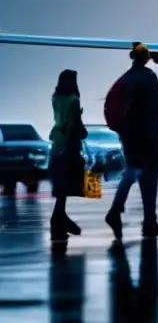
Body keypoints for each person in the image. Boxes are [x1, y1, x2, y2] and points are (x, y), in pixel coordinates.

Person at [105, 44, 158, 240]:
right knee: (149, 177)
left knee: (133, 170)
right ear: (146, 57)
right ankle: (148, 220)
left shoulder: (125, 78)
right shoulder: (148, 77)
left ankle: (117, 211)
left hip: (129, 134)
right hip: (147, 134)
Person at [49, 69, 87, 242]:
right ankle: (58, 221)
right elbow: (73, 124)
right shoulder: (74, 100)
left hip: (56, 140)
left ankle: (59, 220)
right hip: (68, 143)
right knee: (67, 183)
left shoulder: (55, 97)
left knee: (60, 187)